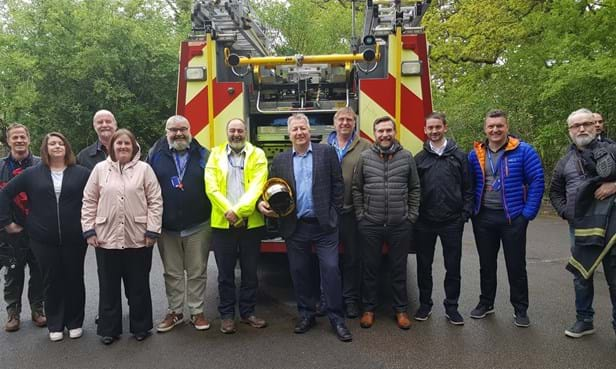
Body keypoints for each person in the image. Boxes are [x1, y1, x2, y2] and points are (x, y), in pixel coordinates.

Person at [258, 113, 352, 342]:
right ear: (288, 134)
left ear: (310, 131)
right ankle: (306, 314)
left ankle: (336, 319)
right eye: (295, 129)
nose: (299, 133)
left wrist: (333, 213)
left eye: (303, 128)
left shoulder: (326, 152)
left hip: (324, 226)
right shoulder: (280, 160)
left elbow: (338, 185)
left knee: (330, 270)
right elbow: (272, 190)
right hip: (295, 226)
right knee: (299, 272)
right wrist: (263, 204)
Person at [0, 132, 90, 342]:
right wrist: (6, 222)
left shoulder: (82, 173)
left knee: (75, 279)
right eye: (52, 143)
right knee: (51, 280)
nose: (57, 146)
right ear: (45, 148)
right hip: (42, 238)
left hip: (75, 237)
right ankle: (55, 324)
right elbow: (4, 193)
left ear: (67, 147)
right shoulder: (32, 173)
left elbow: (95, 198)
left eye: (60, 143)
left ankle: (75, 322)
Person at [82, 129, 162, 345]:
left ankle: (141, 326)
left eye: (127, 143)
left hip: (139, 237)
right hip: (106, 238)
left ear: (134, 146)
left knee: (138, 285)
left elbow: (155, 201)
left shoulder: (144, 170)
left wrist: (152, 230)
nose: (123, 147)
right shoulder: (100, 170)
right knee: (108, 286)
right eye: (119, 144)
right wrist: (89, 230)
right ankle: (109, 329)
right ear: (112, 147)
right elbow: (89, 200)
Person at [468, 109, 544, 327]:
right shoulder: (476, 154)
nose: (495, 130)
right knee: (486, 264)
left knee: (516, 265)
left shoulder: (524, 150)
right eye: (491, 126)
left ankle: (520, 309)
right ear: (485, 129)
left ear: (506, 127)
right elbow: (469, 183)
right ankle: (486, 303)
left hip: (513, 218)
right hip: (483, 218)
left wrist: (527, 214)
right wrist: (472, 211)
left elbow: (537, 181)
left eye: (499, 126)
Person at [549, 108, 616, 339]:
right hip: (579, 226)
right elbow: (555, 192)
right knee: (581, 274)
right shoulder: (564, 161)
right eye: (575, 126)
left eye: (586, 124)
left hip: (611, 226)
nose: (581, 129)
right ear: (569, 131)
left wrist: (615, 185)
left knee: (614, 276)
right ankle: (584, 320)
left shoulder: (612, 151)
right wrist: (567, 213)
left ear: (595, 126)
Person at [352, 116, 420, 330]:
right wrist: (361, 216)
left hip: (400, 224)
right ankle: (368, 310)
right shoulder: (364, 157)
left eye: (388, 130)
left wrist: (411, 217)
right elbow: (357, 188)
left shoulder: (407, 157)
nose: (384, 135)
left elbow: (415, 188)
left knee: (398, 269)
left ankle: (400, 311)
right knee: (370, 269)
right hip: (370, 223)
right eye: (380, 131)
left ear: (394, 132)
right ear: (374, 134)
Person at [147, 115, 212, 332]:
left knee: (197, 271)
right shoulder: (155, 154)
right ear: (166, 132)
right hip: (167, 226)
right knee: (172, 272)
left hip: (199, 224)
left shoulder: (204, 154)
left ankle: (196, 312)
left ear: (190, 130)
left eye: (182, 129)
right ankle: (175, 312)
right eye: (173, 130)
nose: (178, 134)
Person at [205, 118, 268, 334]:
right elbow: (211, 187)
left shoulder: (257, 154)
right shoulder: (215, 154)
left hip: (251, 224)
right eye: (232, 130)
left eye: (240, 130)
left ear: (246, 132)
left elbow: (258, 186)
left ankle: (248, 312)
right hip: (223, 224)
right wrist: (228, 212)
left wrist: (238, 211)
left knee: (250, 273)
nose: (236, 134)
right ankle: (227, 316)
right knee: (225, 274)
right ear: (227, 133)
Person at [414, 112, 473, 325]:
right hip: (424, 222)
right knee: (423, 266)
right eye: (430, 128)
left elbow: (468, 187)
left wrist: (464, 214)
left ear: (445, 127)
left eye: (437, 127)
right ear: (425, 130)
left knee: (453, 266)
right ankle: (424, 305)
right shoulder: (419, 159)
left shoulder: (459, 156)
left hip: (451, 222)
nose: (434, 131)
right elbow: (413, 190)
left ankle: (452, 307)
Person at [0, 123, 46, 332]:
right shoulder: (1, 167)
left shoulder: (41, 164)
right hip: (10, 233)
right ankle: (13, 313)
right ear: (8, 141)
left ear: (29, 139)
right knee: (13, 274)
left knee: (38, 272)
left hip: (37, 230)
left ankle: (38, 309)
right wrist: (6, 223)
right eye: (14, 137)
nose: (19, 141)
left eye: (22, 137)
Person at [326, 107, 371, 318]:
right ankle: (328, 299)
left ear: (355, 123)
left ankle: (351, 300)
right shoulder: (322, 146)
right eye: (341, 119)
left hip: (353, 213)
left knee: (353, 259)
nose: (345, 123)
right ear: (334, 123)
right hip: (328, 214)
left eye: (349, 120)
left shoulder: (365, 147)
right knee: (328, 261)